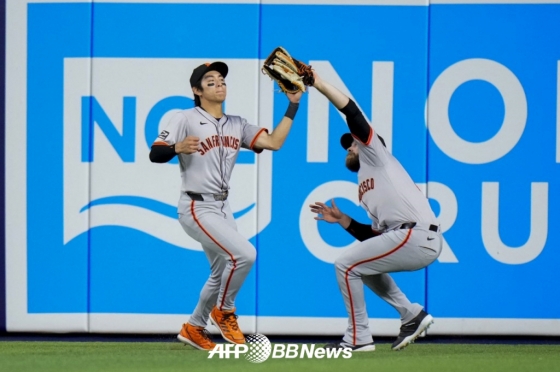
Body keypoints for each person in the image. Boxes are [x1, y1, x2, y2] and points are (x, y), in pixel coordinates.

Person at [150, 62, 302, 351]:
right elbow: (155, 153)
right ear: (197, 90)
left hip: (222, 207)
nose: (219, 83)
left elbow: (274, 142)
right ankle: (225, 311)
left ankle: (194, 327)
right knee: (245, 254)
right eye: (210, 81)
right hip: (196, 205)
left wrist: (293, 105)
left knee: (221, 271)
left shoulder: (237, 123)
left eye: (221, 79)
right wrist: (176, 148)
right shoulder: (185, 118)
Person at [308, 71, 442, 352]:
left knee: (345, 265)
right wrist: (345, 221)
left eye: (352, 143)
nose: (349, 147)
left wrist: (318, 84)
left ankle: (358, 338)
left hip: (415, 234)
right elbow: (374, 238)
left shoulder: (376, 155)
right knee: (362, 268)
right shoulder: (365, 185)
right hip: (409, 236)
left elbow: (352, 112)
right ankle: (411, 313)